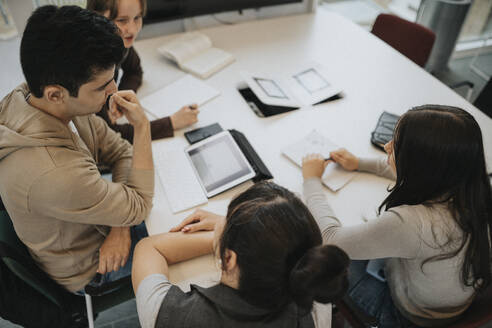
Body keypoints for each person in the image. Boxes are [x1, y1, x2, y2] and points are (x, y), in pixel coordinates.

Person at [0, 5, 154, 293]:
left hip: (99, 225)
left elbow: (120, 151)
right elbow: (140, 205)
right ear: (56, 94)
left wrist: (119, 226)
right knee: (192, 239)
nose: (113, 92)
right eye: (101, 88)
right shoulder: (53, 172)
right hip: (90, 268)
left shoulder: (34, 95)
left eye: (113, 80)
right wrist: (142, 127)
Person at [301, 105, 492, 327]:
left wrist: (311, 180)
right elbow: (415, 170)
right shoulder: (474, 188)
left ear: (420, 164)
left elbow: (331, 239)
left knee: (321, 260)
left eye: (397, 147)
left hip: (406, 316)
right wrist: (359, 164)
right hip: (453, 305)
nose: (386, 146)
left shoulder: (413, 223)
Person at [131, 181, 350, 328]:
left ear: (229, 259)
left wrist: (231, 235)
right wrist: (246, 236)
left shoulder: (173, 315)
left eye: (226, 220)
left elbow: (148, 248)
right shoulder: (312, 298)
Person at [87, 0, 199, 142]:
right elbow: (111, 135)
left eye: (137, 18)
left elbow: (134, 71)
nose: (133, 30)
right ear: (97, 18)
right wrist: (172, 122)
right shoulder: (91, 66)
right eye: (122, 20)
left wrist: (118, 99)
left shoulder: (117, 39)